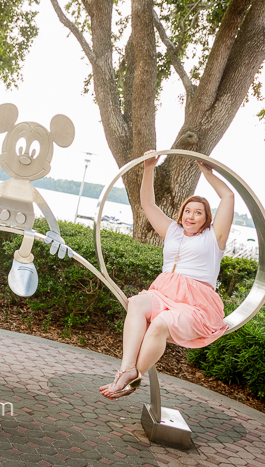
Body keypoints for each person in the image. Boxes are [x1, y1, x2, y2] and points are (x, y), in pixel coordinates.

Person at [99, 155, 234, 399]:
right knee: (137, 302)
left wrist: (208, 173)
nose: (190, 217)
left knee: (161, 324)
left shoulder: (215, 238)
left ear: (207, 219)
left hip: (195, 303)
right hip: (164, 293)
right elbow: (148, 205)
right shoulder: (172, 230)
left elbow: (228, 197)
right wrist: (148, 168)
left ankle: (134, 376)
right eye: (187, 211)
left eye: (198, 213)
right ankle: (126, 369)